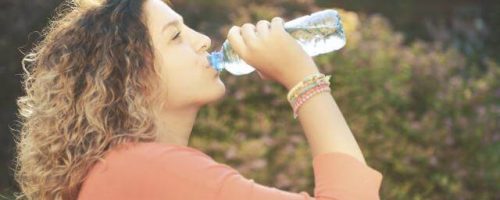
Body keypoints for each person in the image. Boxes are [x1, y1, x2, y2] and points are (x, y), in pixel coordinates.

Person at [14, 0, 383, 199]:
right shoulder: (147, 168)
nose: (204, 40)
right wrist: (303, 79)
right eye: (175, 36)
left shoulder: (123, 171)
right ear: (129, 74)